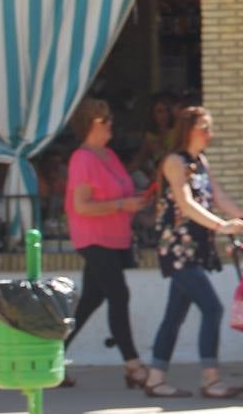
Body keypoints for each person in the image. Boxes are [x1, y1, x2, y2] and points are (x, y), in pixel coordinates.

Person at [144, 106, 243, 399]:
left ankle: (154, 378)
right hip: (178, 248)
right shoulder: (174, 162)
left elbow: (218, 196)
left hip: (194, 248)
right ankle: (210, 379)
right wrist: (222, 225)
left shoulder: (200, 161)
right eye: (204, 128)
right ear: (188, 129)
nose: (209, 134)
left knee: (173, 316)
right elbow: (186, 204)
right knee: (212, 309)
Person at [60, 98, 151, 389]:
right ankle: (133, 365)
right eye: (104, 120)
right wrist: (123, 204)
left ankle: (51, 358)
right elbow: (82, 206)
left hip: (114, 238)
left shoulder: (109, 155)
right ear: (90, 125)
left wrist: (137, 204)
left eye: (110, 118)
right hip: (94, 238)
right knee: (119, 295)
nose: (111, 123)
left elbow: (121, 195)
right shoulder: (82, 159)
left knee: (89, 301)